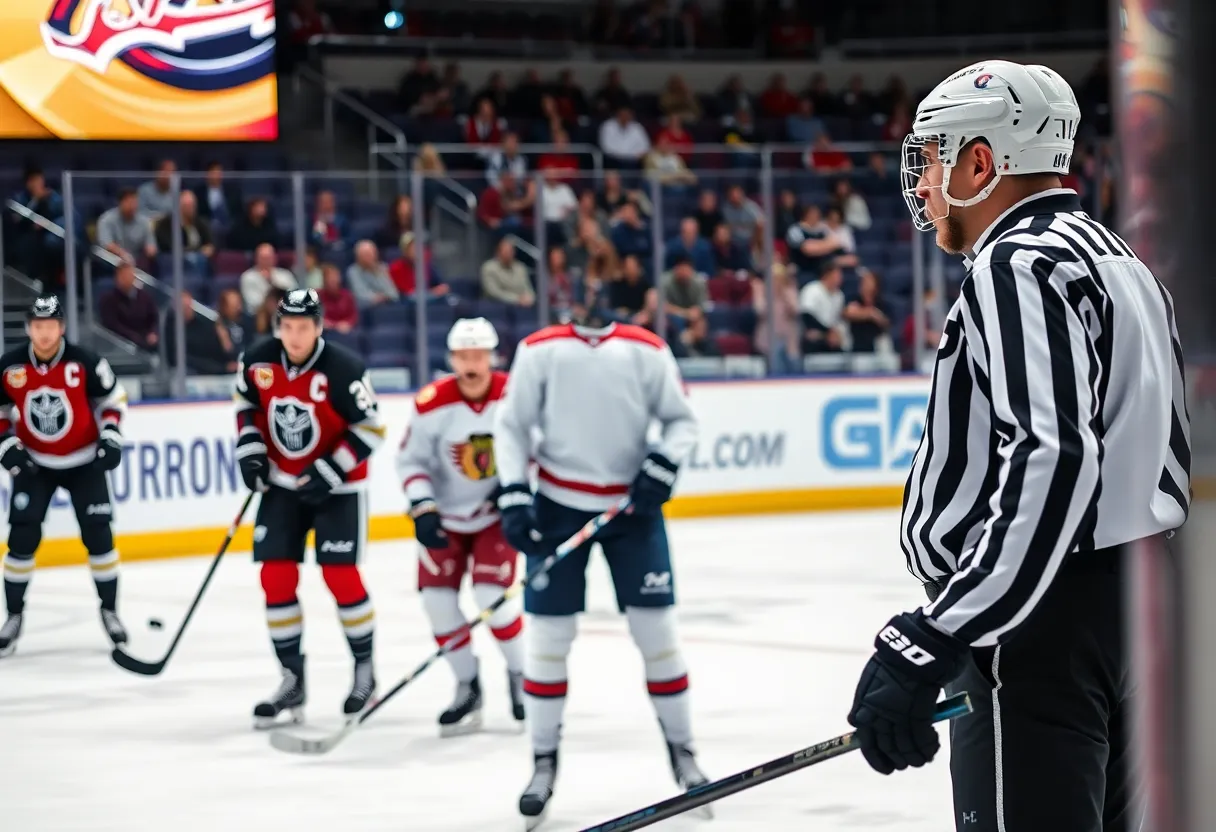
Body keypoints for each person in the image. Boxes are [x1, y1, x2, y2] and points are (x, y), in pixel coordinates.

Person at [846, 60, 1191, 832]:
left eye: (932, 158)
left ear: (981, 162)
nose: (922, 184)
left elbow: (1053, 454)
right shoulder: (1119, 258)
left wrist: (940, 630)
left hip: (1040, 623)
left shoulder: (1016, 263)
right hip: (1139, 602)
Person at [492, 318, 708, 827]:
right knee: (549, 639)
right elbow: (512, 425)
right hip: (557, 507)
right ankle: (543, 761)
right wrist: (514, 492)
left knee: (657, 635)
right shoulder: (539, 349)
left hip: (632, 512)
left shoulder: (647, 349)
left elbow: (683, 421)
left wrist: (664, 462)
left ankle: (683, 751)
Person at [234, 289, 386, 727]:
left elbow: (372, 428)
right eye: (287, 327)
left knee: (341, 576)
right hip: (282, 484)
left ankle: (365, 673)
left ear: (319, 327)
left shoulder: (344, 369)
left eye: (303, 327)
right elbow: (246, 405)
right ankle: (292, 680)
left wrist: (332, 468)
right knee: (275, 577)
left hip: (340, 487)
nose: (295, 336)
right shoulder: (258, 361)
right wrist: (251, 448)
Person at [395, 318, 525, 736]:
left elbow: (539, 447)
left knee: (491, 596)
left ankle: (521, 674)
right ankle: (467, 684)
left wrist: (516, 487)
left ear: (492, 357)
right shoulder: (432, 403)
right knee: (437, 603)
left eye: (479, 355)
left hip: (495, 517)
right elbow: (411, 461)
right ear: (452, 359)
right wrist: (423, 506)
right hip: (445, 516)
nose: (471, 365)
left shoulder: (515, 394)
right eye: (464, 356)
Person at [0, 296, 129, 656]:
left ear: (62, 328)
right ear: (29, 328)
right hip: (34, 464)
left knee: (100, 538)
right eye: (38, 326)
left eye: (51, 326)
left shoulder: (84, 362)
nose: (44, 334)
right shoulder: (10, 367)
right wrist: (5, 443)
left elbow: (113, 399)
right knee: (22, 539)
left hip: (84, 462)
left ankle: (110, 611)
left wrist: (111, 436)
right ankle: (13, 617)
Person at [99, 261, 159, 351]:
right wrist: (135, 337)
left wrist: (153, 332)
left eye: (129, 275)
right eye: (123, 276)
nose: (126, 279)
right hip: (121, 344)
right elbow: (113, 325)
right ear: (116, 278)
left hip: (146, 340)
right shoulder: (108, 299)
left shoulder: (145, 296)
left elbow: (154, 318)